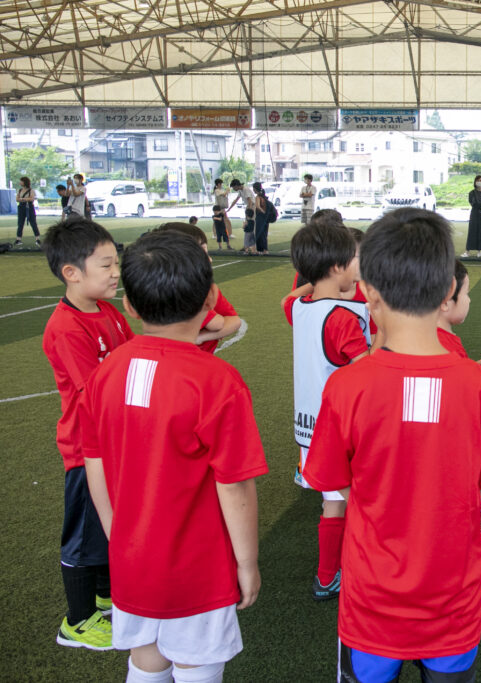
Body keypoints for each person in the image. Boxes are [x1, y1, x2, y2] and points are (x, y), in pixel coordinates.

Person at [302, 208, 481, 682]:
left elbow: (329, 480)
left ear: (369, 293)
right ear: (448, 293)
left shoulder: (346, 387)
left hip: (371, 601)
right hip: (453, 599)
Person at [80, 230, 268, 683]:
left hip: (131, 559)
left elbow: (94, 462)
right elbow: (235, 482)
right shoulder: (217, 381)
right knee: (198, 663)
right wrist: (247, 562)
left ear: (129, 304)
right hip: (197, 567)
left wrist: (117, 536)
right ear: (210, 300)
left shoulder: (107, 372)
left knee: (146, 659)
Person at [41, 218, 133, 652]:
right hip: (85, 449)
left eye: (117, 262)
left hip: (114, 444)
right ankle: (76, 622)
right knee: (82, 533)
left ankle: (104, 597)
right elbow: (96, 389)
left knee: (105, 524)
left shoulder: (110, 311)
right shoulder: (65, 327)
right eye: (106, 264)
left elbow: (131, 356)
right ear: (71, 273)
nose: (116, 272)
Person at [281, 222, 368, 601]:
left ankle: (328, 574)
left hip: (309, 427)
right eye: (355, 259)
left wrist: (316, 282)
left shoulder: (299, 306)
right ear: (337, 265)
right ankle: (343, 573)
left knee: (332, 499)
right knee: (357, 502)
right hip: (342, 429)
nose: (359, 266)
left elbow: (294, 297)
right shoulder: (344, 319)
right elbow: (368, 371)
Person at [154, 222, 241, 353]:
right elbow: (217, 323)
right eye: (201, 253)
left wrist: (201, 337)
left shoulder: (206, 288)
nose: (209, 259)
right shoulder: (176, 295)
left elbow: (234, 321)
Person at [438, 259, 481, 378]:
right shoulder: (448, 346)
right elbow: (460, 391)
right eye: (466, 293)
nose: (469, 300)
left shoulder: (429, 338)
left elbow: (456, 374)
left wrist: (475, 366)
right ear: (446, 300)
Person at [463, 174, 481, 258]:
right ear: (475, 182)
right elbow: (473, 203)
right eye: (478, 180)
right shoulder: (472, 193)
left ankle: (479, 251)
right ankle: (467, 251)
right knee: (472, 231)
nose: (479, 182)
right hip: (474, 214)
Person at [16, 176, 41, 246]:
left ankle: (37, 239)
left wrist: (22, 199)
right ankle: (18, 239)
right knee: (20, 223)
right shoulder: (20, 190)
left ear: (25, 182)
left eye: (21, 181)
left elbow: (31, 199)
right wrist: (25, 199)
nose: (20, 182)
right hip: (21, 207)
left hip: (29, 207)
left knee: (33, 223)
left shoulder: (31, 190)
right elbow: (17, 199)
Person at [252, 182, 270, 256]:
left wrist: (263, 212)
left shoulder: (258, 197)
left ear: (255, 189)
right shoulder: (264, 197)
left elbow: (258, 206)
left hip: (260, 216)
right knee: (264, 233)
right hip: (266, 218)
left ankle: (260, 250)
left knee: (259, 233)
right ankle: (265, 249)